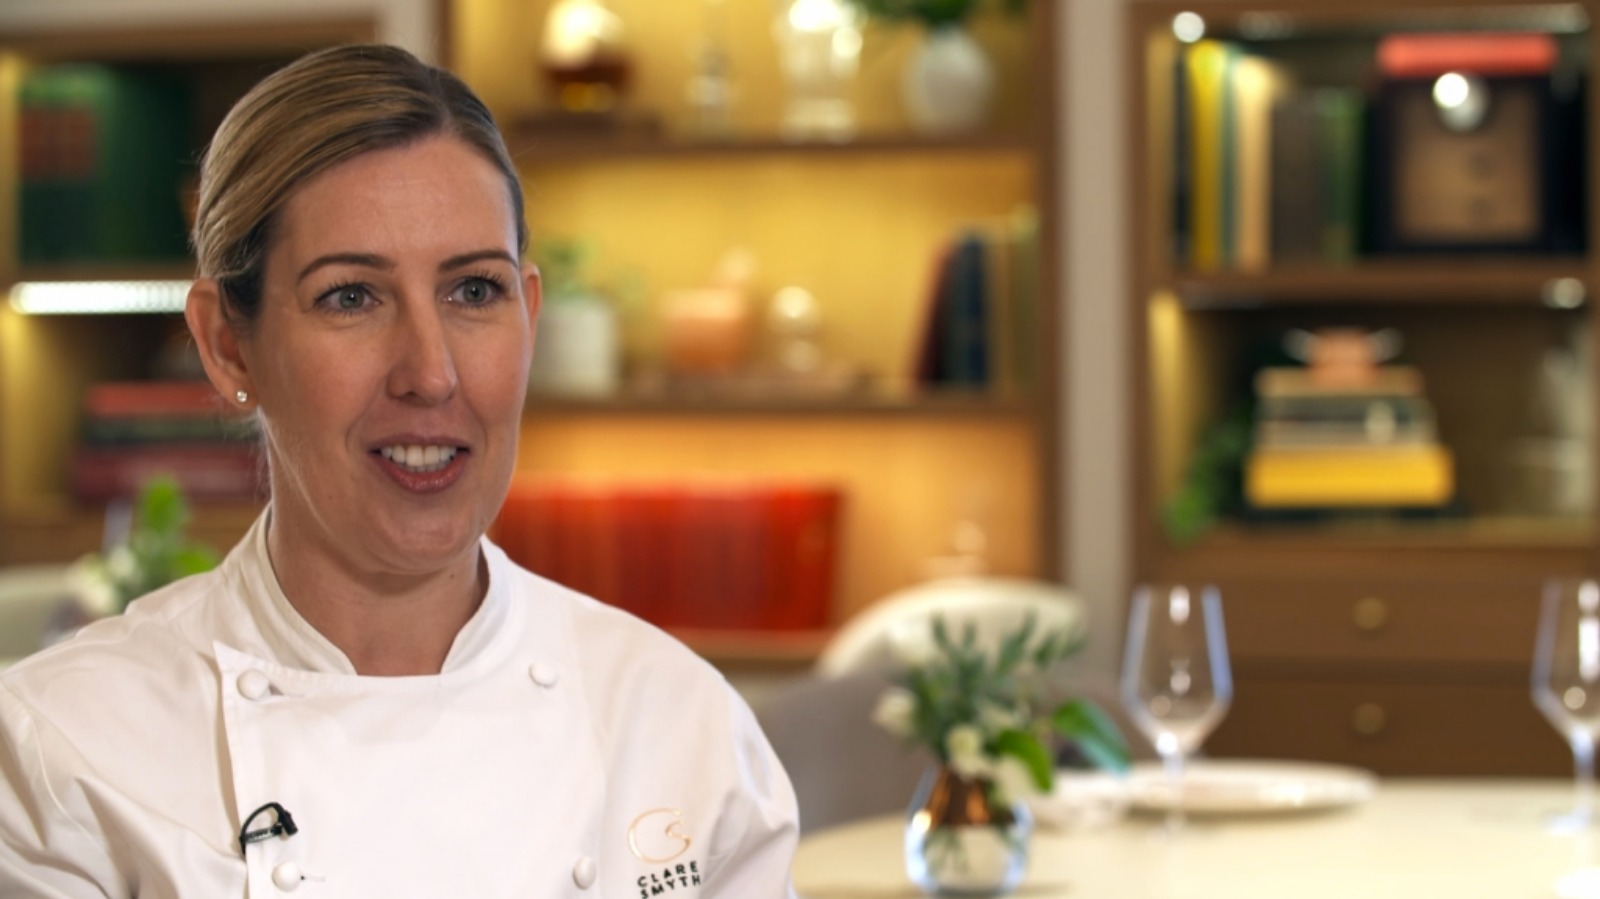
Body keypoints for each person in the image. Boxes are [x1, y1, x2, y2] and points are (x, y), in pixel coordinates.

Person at [0, 44, 799, 898]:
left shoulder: (680, 727)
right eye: (351, 296)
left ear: (529, 318)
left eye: (473, 291)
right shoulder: (63, 753)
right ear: (227, 344)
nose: (431, 372)